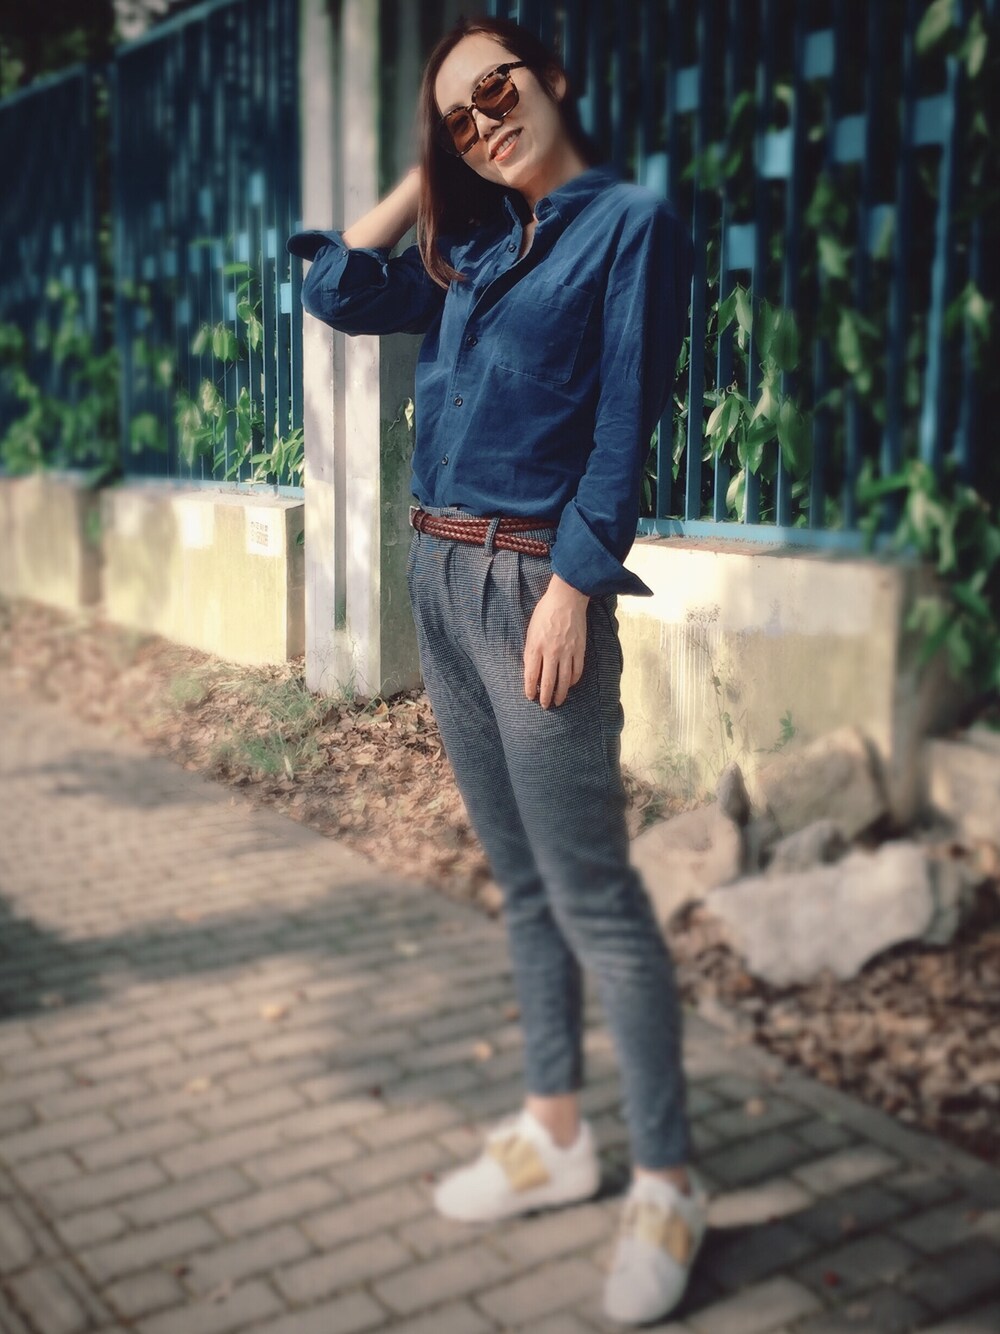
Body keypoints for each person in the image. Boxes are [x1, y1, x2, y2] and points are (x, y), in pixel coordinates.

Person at [287, 14, 708, 1326]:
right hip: (437, 575)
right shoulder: (468, 247)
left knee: (594, 897)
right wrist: (430, 167)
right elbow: (334, 291)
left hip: (533, 592)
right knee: (523, 884)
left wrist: (576, 585)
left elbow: (626, 421)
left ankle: (669, 1182)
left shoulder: (628, 225)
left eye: (498, 91)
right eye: (459, 116)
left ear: (554, 77)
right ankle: (555, 1132)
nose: (485, 122)